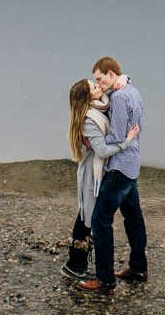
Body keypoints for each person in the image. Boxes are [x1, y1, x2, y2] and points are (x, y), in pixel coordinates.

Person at [77, 56, 145, 291]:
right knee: (133, 217)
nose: (99, 84)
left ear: (110, 74)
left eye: (99, 79)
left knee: (100, 220)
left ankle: (105, 279)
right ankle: (138, 268)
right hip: (133, 164)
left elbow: (115, 138)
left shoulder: (117, 99)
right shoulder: (132, 90)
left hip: (118, 167)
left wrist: (91, 140)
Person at [62, 77, 136, 282]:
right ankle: (75, 263)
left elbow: (114, 90)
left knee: (90, 213)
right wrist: (126, 142)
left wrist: (124, 77)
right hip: (91, 173)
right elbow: (102, 150)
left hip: (100, 170)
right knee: (87, 214)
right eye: (94, 87)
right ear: (88, 97)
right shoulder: (89, 119)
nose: (98, 86)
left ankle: (77, 263)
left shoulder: (101, 104)